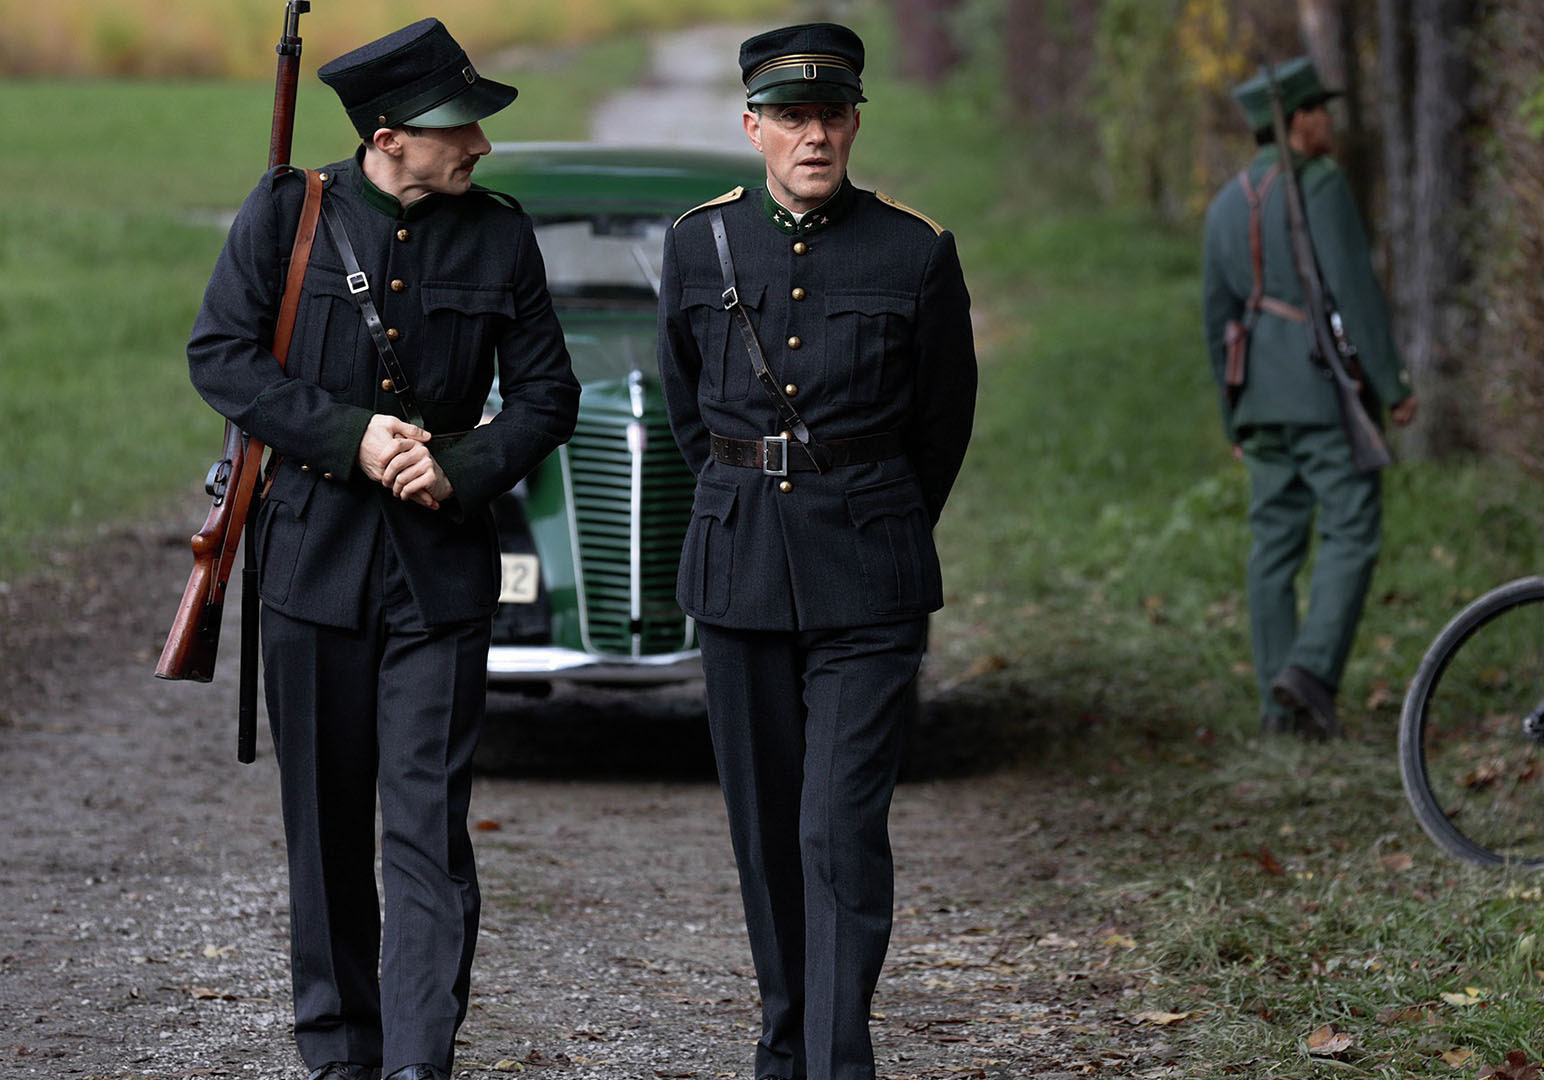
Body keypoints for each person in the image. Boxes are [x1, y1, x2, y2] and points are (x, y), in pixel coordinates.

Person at [186, 19, 579, 1080]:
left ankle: (416, 1061)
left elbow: (548, 399)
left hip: (439, 572)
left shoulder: (500, 235)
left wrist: (463, 465)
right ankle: (340, 1055)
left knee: (426, 833)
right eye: (460, 129)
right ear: (390, 135)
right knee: (323, 835)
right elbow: (220, 358)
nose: (480, 147)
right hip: (310, 563)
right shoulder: (287, 216)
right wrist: (348, 435)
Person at [655, 21, 977, 1080]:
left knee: (840, 830)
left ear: (853, 121)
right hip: (741, 560)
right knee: (764, 832)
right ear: (753, 126)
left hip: (869, 571)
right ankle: (783, 1044)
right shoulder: (700, 244)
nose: (814, 134)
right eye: (791, 116)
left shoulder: (915, 250)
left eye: (831, 113)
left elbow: (942, 423)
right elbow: (688, 412)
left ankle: (839, 1062)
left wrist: (870, 507)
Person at [1202, 57, 1416, 739]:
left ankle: (1276, 710)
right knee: (1353, 522)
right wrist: (1391, 384)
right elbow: (1355, 287)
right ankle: (1311, 671)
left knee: (1273, 543)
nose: (1328, 121)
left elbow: (1218, 319)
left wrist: (1231, 408)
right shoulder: (1319, 183)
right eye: (1318, 110)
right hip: (1318, 390)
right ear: (1295, 122)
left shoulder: (1226, 202)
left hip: (1257, 398)